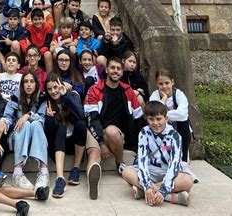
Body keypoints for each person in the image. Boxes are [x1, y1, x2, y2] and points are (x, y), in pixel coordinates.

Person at [84, 56, 144, 200]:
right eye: (112, 68)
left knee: (112, 131)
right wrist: (101, 143)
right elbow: (92, 119)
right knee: (94, 154)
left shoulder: (128, 91)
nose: (115, 71)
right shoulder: (95, 89)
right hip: (96, 131)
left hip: (118, 135)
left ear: (122, 72)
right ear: (106, 70)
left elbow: (139, 120)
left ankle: (119, 163)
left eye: (118, 68)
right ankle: (93, 180)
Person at [122, 100, 194, 207]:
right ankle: (171, 197)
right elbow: (142, 160)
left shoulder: (175, 136)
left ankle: (148, 192)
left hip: (168, 172)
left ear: (166, 118)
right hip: (150, 171)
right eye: (151, 119)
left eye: (159, 119)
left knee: (188, 182)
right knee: (126, 172)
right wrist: (147, 185)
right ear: (147, 119)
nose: (155, 123)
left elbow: (174, 164)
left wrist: (163, 188)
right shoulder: (143, 133)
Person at [0, 71, 49, 199]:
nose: (29, 85)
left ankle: (43, 172)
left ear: (36, 84)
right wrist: (3, 121)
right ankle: (17, 173)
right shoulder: (16, 96)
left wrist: (28, 115)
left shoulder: (42, 97)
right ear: (22, 84)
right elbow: (7, 116)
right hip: (18, 137)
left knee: (35, 124)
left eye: (32, 82)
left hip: (37, 136)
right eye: (26, 82)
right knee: (25, 125)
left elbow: (42, 119)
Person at [44, 73, 87, 197]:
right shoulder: (46, 103)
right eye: (50, 89)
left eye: (55, 87)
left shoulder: (72, 95)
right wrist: (50, 119)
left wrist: (66, 96)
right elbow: (49, 132)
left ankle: (76, 168)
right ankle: (60, 178)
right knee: (61, 128)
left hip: (74, 143)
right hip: (57, 146)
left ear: (62, 86)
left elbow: (81, 115)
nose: (53, 91)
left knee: (80, 124)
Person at [149, 69, 191, 163]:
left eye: (167, 83)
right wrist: (163, 100)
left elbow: (182, 115)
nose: (164, 86)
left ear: (172, 82)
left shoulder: (179, 95)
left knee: (184, 123)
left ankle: (182, 160)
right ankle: (164, 156)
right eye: (160, 84)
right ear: (156, 84)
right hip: (162, 130)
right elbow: (153, 113)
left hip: (179, 130)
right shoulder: (154, 96)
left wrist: (162, 115)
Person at [21, 8, 53, 72]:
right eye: (35, 19)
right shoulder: (29, 28)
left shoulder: (48, 28)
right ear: (32, 21)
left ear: (43, 20)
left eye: (40, 19)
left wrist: (37, 53)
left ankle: (49, 77)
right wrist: (27, 51)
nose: (38, 21)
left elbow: (47, 45)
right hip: (31, 51)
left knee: (48, 54)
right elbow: (22, 39)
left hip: (42, 53)